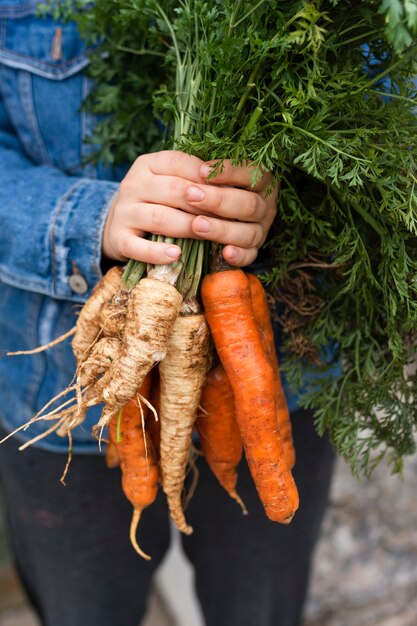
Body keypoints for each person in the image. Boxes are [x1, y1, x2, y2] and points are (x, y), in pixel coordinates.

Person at [0, 4, 335, 626]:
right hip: (63, 392)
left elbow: (388, 133)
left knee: (261, 608)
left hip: (275, 384)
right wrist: (90, 218)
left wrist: (285, 193)